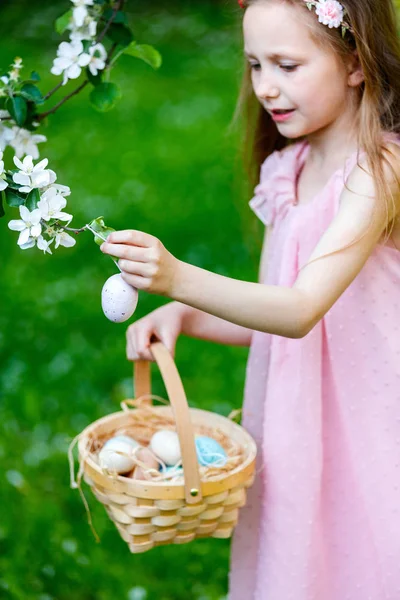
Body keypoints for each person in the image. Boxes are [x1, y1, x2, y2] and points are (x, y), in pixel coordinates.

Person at [100, 0, 400, 597]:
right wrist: (187, 313)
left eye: (287, 65)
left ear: (355, 63)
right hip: (296, 423)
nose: (265, 87)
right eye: (254, 65)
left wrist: (178, 278)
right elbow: (277, 308)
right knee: (304, 556)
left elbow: (300, 310)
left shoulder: (380, 169)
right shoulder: (287, 171)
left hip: (372, 421)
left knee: (368, 553)